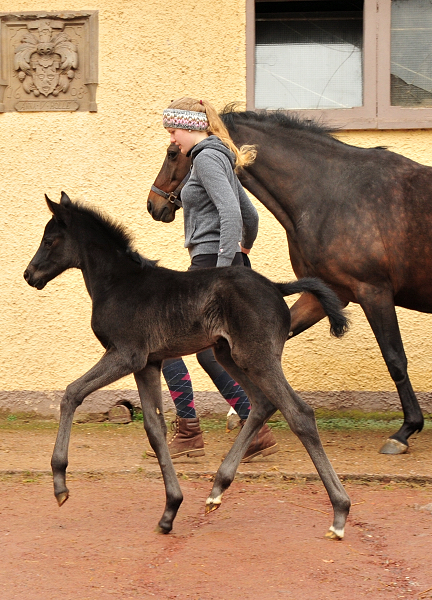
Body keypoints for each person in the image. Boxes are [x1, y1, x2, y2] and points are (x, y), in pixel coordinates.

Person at [147, 97, 278, 462]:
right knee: (212, 352)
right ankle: (257, 431)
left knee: (159, 342)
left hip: (210, 266)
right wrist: (243, 252)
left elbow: (231, 212)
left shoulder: (205, 157)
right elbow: (250, 215)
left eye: (173, 130)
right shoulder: (220, 155)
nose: (172, 138)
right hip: (219, 263)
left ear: (190, 126)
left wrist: (224, 271)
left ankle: (188, 429)